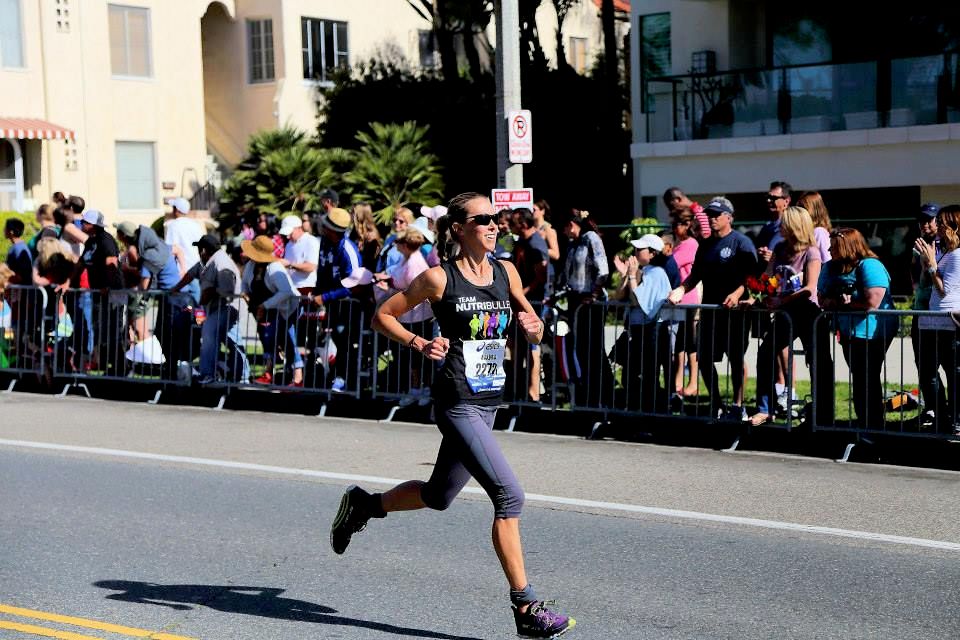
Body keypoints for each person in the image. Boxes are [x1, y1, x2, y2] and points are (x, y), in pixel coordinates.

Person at [329, 192, 576, 639]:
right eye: (483, 219)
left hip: (489, 401)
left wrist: (534, 327)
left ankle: (364, 504)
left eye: (495, 217)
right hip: (456, 401)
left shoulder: (507, 271)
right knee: (509, 496)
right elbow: (383, 315)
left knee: (439, 495)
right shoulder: (438, 279)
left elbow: (530, 316)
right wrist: (419, 343)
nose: (493, 224)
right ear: (459, 229)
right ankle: (526, 608)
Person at [668, 197, 758, 421]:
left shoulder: (741, 242)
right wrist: (680, 289)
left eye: (717, 215)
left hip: (735, 313)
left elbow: (753, 279)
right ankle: (715, 403)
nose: (712, 218)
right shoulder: (705, 244)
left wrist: (737, 294)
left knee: (736, 358)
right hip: (710, 310)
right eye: (710, 214)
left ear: (729, 217)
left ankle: (738, 405)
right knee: (704, 358)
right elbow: (696, 275)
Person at [746, 207, 824, 426]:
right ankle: (764, 409)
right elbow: (767, 278)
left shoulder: (811, 252)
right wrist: (755, 297)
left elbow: (810, 288)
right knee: (766, 353)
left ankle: (819, 411)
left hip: (808, 313)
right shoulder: (780, 249)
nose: (780, 227)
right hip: (784, 313)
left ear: (795, 225)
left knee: (816, 361)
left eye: (785, 223)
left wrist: (782, 300)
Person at [818, 227, 897, 428]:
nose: (829, 250)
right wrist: (837, 302)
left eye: (834, 246)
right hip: (847, 331)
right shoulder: (829, 268)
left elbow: (872, 302)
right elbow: (821, 298)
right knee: (860, 377)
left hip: (873, 332)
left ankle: (873, 425)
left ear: (848, 246)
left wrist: (845, 303)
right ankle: (866, 423)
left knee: (867, 377)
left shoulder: (870, 265)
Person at [172, 233, 249, 384]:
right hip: (220, 308)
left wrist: (203, 302)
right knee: (233, 341)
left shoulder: (219, 263)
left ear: (204, 250)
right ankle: (243, 376)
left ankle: (208, 374)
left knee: (209, 338)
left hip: (226, 307)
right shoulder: (208, 261)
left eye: (199, 249)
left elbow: (218, 290)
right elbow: (191, 273)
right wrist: (176, 288)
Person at [914, 205, 960, 436]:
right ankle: (940, 416)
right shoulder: (943, 251)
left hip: (949, 321)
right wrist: (927, 264)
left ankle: (955, 420)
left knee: (953, 372)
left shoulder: (958, 254)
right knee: (927, 371)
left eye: (942, 222)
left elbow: (945, 291)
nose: (937, 226)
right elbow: (927, 283)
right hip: (932, 319)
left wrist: (931, 264)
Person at [613, 234, 672, 412]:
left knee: (648, 375)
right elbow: (619, 296)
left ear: (653, 253)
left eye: (640, 249)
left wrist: (632, 276)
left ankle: (650, 412)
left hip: (653, 329)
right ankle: (636, 411)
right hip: (637, 329)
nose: (636, 253)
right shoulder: (640, 271)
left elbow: (637, 301)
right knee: (629, 375)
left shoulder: (657, 273)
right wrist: (627, 275)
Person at [562, 208, 614, 408]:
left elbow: (603, 268)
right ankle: (588, 395)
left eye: (566, 227)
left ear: (572, 225)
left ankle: (603, 395)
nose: (564, 232)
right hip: (575, 299)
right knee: (581, 350)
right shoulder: (573, 244)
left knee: (594, 350)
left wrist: (594, 293)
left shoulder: (591, 238)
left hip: (590, 301)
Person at [314, 207, 370, 392]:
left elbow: (355, 285)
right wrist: (318, 292)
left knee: (346, 342)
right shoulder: (324, 242)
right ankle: (334, 376)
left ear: (333, 230)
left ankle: (346, 379)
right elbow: (323, 271)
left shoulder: (348, 251)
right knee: (334, 341)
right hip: (331, 305)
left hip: (348, 307)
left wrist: (326, 296)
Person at [242, 235, 304, 387]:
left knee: (289, 340)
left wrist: (264, 306)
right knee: (266, 338)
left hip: (287, 308)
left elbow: (286, 292)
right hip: (269, 309)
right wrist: (247, 296)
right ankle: (269, 372)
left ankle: (298, 377)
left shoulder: (274, 268)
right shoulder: (251, 265)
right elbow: (245, 284)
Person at [512, 208, 550, 402]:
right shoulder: (521, 242)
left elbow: (540, 277)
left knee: (533, 349)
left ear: (524, 224)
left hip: (533, 304)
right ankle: (520, 393)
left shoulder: (536, 244)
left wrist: (521, 295)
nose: (510, 226)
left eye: (514, 222)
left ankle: (533, 394)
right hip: (520, 304)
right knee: (519, 350)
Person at [668, 208, 701, 398]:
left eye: (677, 224)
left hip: (688, 299)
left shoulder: (690, 244)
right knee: (680, 343)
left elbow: (672, 263)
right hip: (678, 300)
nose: (673, 228)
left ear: (688, 225)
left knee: (691, 342)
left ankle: (693, 382)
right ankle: (678, 380)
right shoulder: (680, 244)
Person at [278, 215, 320, 296]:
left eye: (290, 233)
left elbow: (311, 267)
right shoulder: (289, 245)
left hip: (306, 288)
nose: (287, 236)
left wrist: (289, 264)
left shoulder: (311, 241)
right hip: (291, 288)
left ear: (299, 228)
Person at [757, 180, 792, 268]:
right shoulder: (767, 226)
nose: (768, 200)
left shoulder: (793, 226)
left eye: (774, 198)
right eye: (768, 197)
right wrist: (761, 252)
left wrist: (774, 258)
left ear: (786, 201)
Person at [795, 191, 833, 263]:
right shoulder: (805, 232)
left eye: (803, 208)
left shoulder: (819, 232)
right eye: (798, 208)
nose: (799, 212)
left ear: (815, 210)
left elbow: (827, 261)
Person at [349, 202, 383, 273]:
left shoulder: (371, 236)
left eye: (352, 212)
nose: (349, 214)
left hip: (366, 275)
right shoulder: (354, 232)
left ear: (358, 215)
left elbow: (372, 263)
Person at [4, 219, 32, 285]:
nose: (4, 230)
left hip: (21, 292)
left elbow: (22, 275)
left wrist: (4, 281)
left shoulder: (19, 248)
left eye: (5, 228)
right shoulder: (17, 247)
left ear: (11, 232)